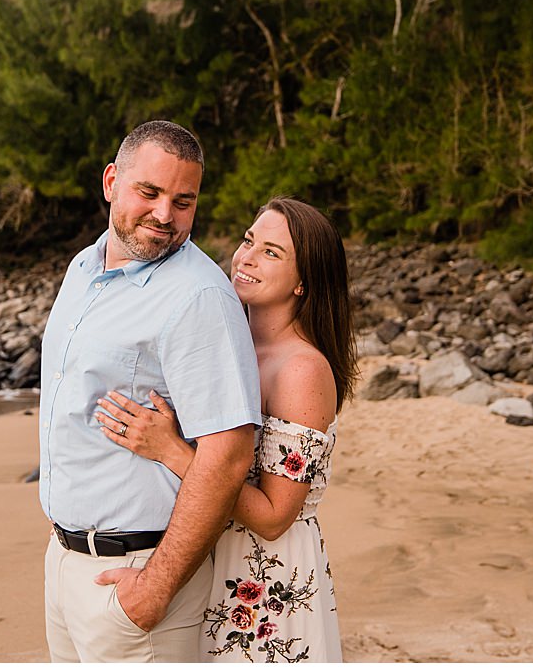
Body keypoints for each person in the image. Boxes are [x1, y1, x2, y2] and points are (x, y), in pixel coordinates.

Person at [96, 197, 356, 662]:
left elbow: (276, 515)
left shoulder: (301, 370)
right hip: (208, 554)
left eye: (272, 253)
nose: (247, 257)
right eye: (248, 240)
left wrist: (171, 451)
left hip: (264, 578)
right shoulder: (230, 341)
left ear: (304, 283)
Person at [39, 120, 262, 663]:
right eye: (150, 192)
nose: (165, 215)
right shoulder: (81, 269)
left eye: (183, 201)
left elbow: (228, 457)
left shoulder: (198, 296)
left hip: (139, 576)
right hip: (66, 562)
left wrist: (154, 588)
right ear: (112, 181)